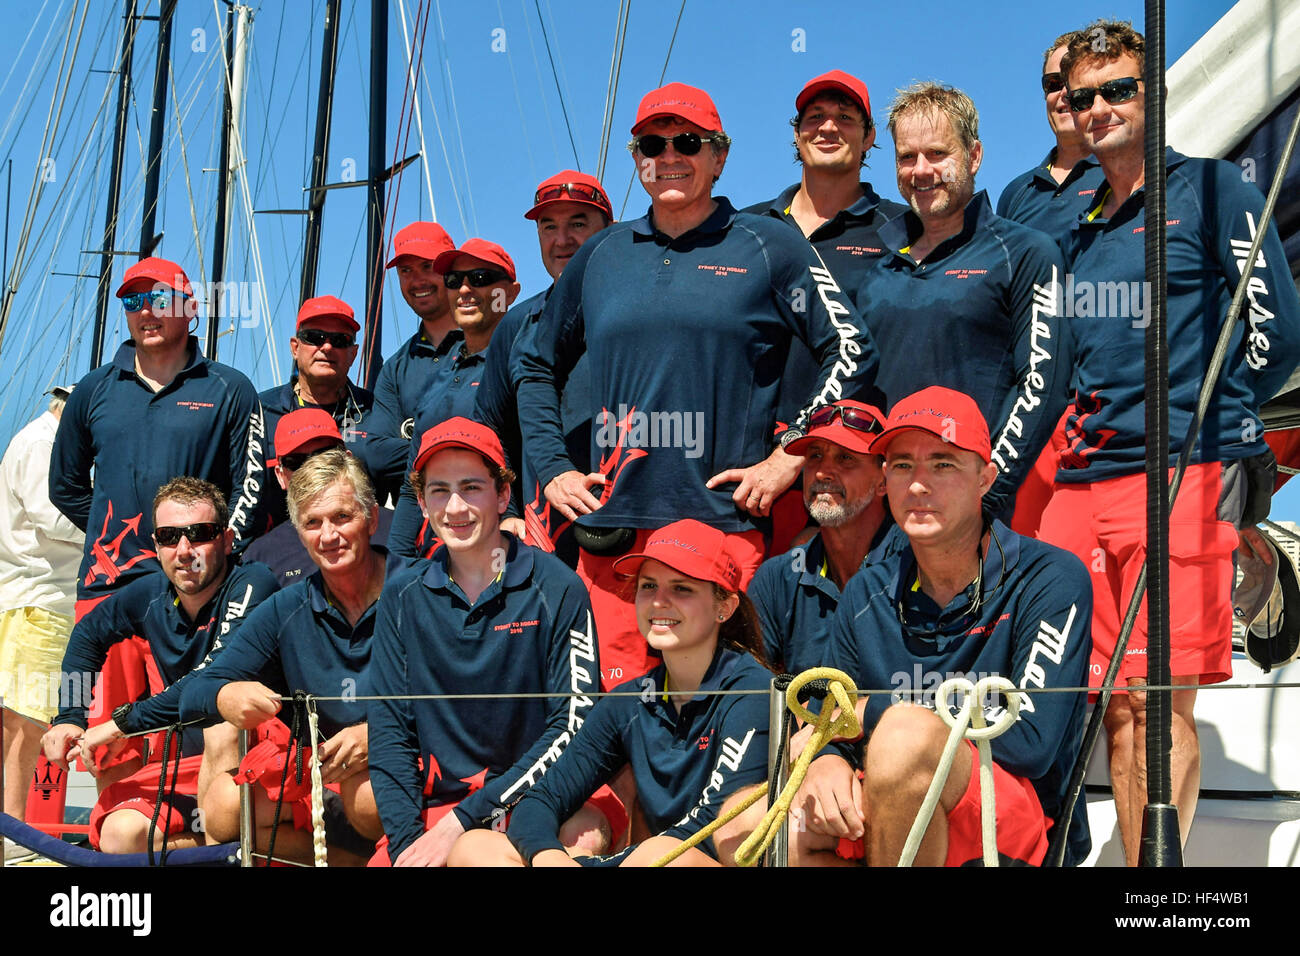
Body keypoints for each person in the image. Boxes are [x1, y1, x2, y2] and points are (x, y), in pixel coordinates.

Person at [515, 81, 881, 691]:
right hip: (615, 537)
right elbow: (533, 363)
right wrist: (553, 467)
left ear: (720, 156)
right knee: (615, 735)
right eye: (652, 145)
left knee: (733, 727)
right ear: (636, 159)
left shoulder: (771, 245)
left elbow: (850, 347)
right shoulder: (602, 254)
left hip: (725, 533)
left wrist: (791, 453)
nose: (670, 155)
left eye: (687, 141)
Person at [1038, 20, 1300, 864]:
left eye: (1120, 88)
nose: (1100, 107)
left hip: (1180, 474)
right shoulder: (1075, 228)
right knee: (1105, 702)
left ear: (1153, 96)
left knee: (1159, 701)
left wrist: (1221, 420)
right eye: (1084, 97)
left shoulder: (1216, 189)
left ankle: (1162, 880)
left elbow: (1278, 334)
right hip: (1082, 484)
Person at [795, 387, 1092, 867]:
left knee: (905, 735)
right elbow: (823, 722)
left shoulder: (1051, 577)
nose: (918, 485)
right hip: (892, 801)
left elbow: (1030, 742)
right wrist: (826, 760)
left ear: (985, 478)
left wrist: (874, 715)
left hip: (1016, 828)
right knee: (771, 828)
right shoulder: (866, 590)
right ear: (884, 481)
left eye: (943, 463)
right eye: (903, 465)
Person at [48, 256, 266, 789]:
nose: (146, 311)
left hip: (197, 594)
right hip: (109, 587)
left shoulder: (230, 388)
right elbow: (66, 486)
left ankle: (195, 837)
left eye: (160, 298)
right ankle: (117, 839)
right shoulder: (93, 390)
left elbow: (252, 490)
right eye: (133, 301)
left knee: (200, 731)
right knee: (110, 746)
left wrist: (197, 551)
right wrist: (123, 540)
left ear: (190, 308)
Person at [367, 418, 618, 866]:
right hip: (438, 809)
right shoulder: (401, 596)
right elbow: (391, 735)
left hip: (547, 799)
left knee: (576, 839)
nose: (456, 507)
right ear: (422, 503)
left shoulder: (558, 587)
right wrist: (409, 845)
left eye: (471, 487)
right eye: (439, 490)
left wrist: (461, 824)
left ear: (503, 495)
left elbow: (572, 725)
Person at [449, 519, 772, 867]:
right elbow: (540, 800)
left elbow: (709, 826)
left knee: (663, 858)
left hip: (687, 859)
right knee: (475, 847)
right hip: (638, 860)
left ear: (724, 607)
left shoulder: (752, 690)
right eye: (649, 586)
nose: (659, 602)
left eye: (681, 589)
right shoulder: (630, 700)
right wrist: (550, 858)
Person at [855, 82, 1071, 523]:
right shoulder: (876, 270)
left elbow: (1042, 387)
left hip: (983, 513)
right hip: (889, 510)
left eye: (937, 154)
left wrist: (984, 495)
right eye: (906, 157)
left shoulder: (1026, 252)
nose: (920, 170)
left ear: (974, 156)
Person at [39, 478, 277, 854]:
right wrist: (69, 716)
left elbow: (210, 680)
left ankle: (226, 847)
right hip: (185, 772)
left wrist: (120, 725)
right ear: (156, 546)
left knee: (223, 725)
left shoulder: (252, 583)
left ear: (227, 540)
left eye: (199, 534)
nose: (184, 550)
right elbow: (87, 637)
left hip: (259, 765)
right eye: (169, 537)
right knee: (119, 836)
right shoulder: (151, 594)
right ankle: (213, 850)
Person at [179, 449, 394, 864]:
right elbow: (200, 686)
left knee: (368, 797)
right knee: (222, 808)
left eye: (341, 518)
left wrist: (380, 734)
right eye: (313, 523)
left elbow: (463, 695)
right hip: (328, 777)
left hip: (414, 769)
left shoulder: (422, 587)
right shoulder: (287, 606)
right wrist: (226, 696)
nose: (328, 536)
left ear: (371, 517)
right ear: (297, 532)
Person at [745, 70, 906, 425]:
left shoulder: (903, 230)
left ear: (869, 137)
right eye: (815, 116)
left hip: (854, 449)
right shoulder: (747, 228)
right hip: (746, 457)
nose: (828, 127)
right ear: (797, 134)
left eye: (845, 118)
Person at [475, 170, 613, 559]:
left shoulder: (635, 316)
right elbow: (490, 428)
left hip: (628, 526)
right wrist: (507, 511)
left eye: (578, 223)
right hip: (544, 541)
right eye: (548, 226)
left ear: (610, 229)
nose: (562, 239)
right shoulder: (517, 325)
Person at [389, 240, 520, 557]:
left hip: (509, 550)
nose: (464, 290)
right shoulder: (440, 377)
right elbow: (411, 487)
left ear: (511, 293)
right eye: (453, 281)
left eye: (479, 279)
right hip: (437, 559)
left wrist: (512, 518)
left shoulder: (526, 362)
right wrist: (398, 566)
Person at [0, 386, 84, 862]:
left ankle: (13, 829)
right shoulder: (43, 445)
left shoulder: (36, 440)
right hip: (43, 598)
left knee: (20, 719)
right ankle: (16, 835)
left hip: (33, 597)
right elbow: (55, 518)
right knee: (28, 720)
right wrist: (114, 528)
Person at [748, 399, 892, 675]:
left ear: (884, 480)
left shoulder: (918, 564)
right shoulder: (777, 578)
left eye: (846, 457)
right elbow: (748, 689)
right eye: (814, 456)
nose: (823, 472)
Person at [256, 295, 380, 531]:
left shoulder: (377, 411)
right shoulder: (259, 411)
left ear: (353, 353)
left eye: (340, 340)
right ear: (295, 347)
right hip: (278, 556)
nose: (326, 347)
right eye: (314, 338)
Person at [243, 408, 392, 587]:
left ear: (348, 459)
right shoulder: (260, 558)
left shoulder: (398, 528)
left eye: (324, 456)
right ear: (280, 475)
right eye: (296, 462)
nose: (312, 469)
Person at [368, 221, 460, 502]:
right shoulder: (395, 369)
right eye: (406, 271)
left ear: (451, 270)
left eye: (427, 266)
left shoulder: (491, 343)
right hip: (420, 527)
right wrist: (463, 450)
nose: (417, 281)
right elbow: (378, 454)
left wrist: (414, 446)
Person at [996, 31, 1106, 237]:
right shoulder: (1016, 193)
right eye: (1053, 84)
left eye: (1074, 81)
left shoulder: (1124, 173)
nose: (1064, 93)